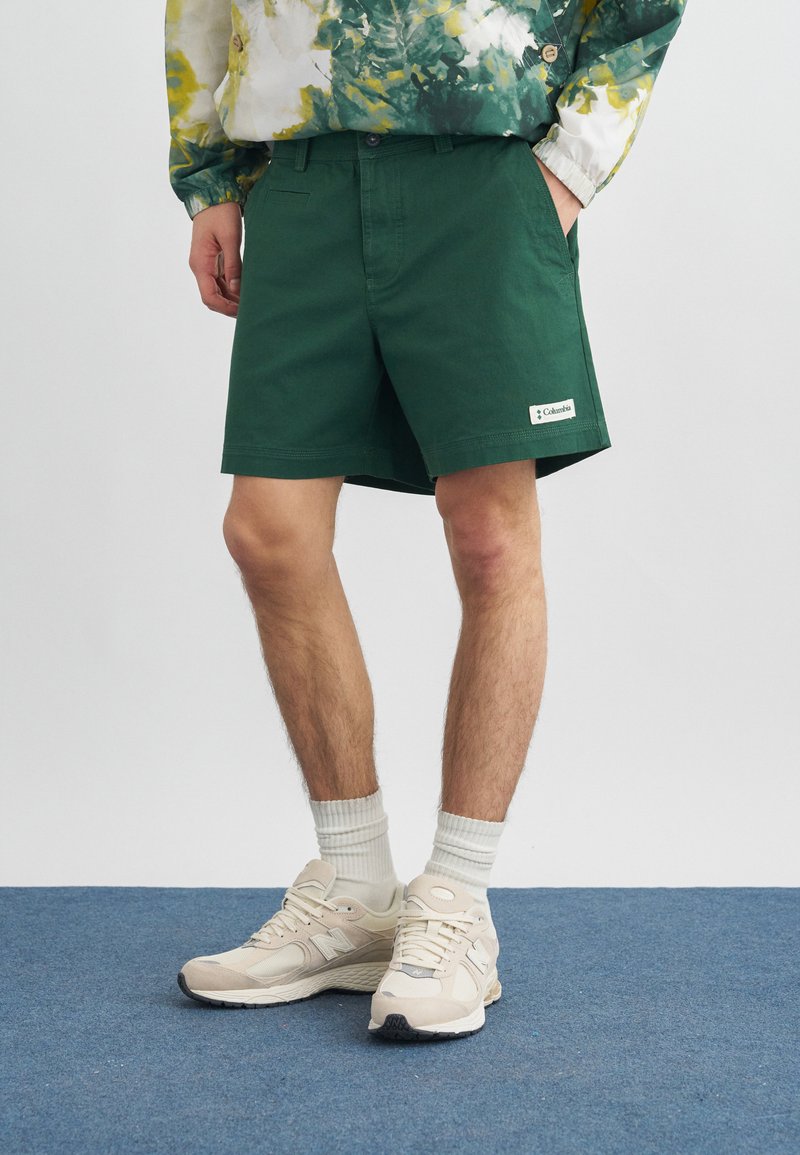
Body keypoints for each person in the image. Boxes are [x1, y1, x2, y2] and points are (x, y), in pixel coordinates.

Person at [164, 0, 687, 1041]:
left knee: (489, 534)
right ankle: (356, 889)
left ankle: (455, 899)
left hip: (482, 170)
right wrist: (208, 176)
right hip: (303, 174)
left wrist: (566, 170)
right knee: (267, 531)